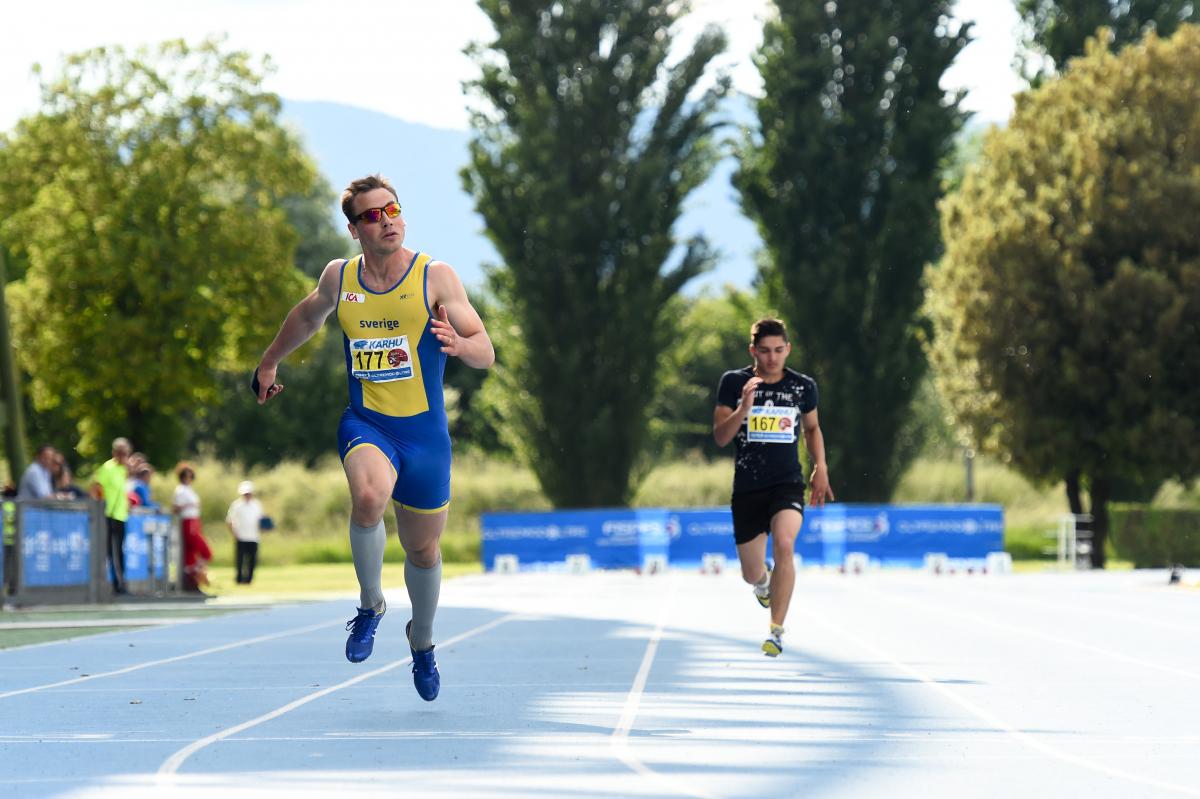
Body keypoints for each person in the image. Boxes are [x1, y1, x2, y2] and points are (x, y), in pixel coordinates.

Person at [254, 174, 494, 702]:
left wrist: (458, 343)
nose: (386, 220)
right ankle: (369, 604)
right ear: (353, 228)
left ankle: (423, 643)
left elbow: (485, 350)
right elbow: (308, 315)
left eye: (392, 210)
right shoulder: (341, 278)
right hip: (369, 424)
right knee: (367, 498)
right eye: (372, 215)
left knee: (423, 549)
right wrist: (270, 360)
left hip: (425, 437)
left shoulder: (435, 276)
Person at [713, 318, 834, 657]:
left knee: (784, 544)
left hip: (787, 484)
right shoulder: (734, 383)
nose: (772, 358)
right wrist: (743, 408)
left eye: (778, 351)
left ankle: (776, 630)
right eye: (764, 351)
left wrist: (820, 467)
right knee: (751, 573)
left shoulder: (802, 386)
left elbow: (811, 429)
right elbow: (721, 437)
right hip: (749, 488)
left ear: (787, 350)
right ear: (753, 350)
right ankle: (763, 584)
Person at [90, 437, 133, 595]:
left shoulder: (124, 470)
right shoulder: (107, 468)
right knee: (111, 551)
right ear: (115, 453)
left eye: (126, 453)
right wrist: (100, 505)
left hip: (121, 515)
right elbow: (96, 488)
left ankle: (121, 583)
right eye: (121, 453)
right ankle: (116, 583)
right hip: (108, 514)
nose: (123, 456)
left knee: (119, 550)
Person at [173, 462, 211, 593]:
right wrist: (188, 506)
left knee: (190, 556)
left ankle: (193, 581)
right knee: (205, 552)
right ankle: (194, 578)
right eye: (185, 475)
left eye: (190, 475)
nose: (188, 478)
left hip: (195, 521)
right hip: (188, 522)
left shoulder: (189, 490)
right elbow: (176, 507)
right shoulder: (180, 490)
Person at [226, 481, 263, 584]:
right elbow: (230, 520)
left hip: (254, 536)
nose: (247, 495)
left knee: (252, 560)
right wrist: (234, 533)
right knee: (240, 560)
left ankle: (249, 579)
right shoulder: (236, 505)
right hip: (241, 536)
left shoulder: (257, 505)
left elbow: (260, 520)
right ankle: (239, 579)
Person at [2, 483, 16, 596]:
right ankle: (11, 593)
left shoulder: (3, 506)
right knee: (12, 569)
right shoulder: (16, 506)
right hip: (13, 540)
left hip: (3, 541)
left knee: (4, 568)